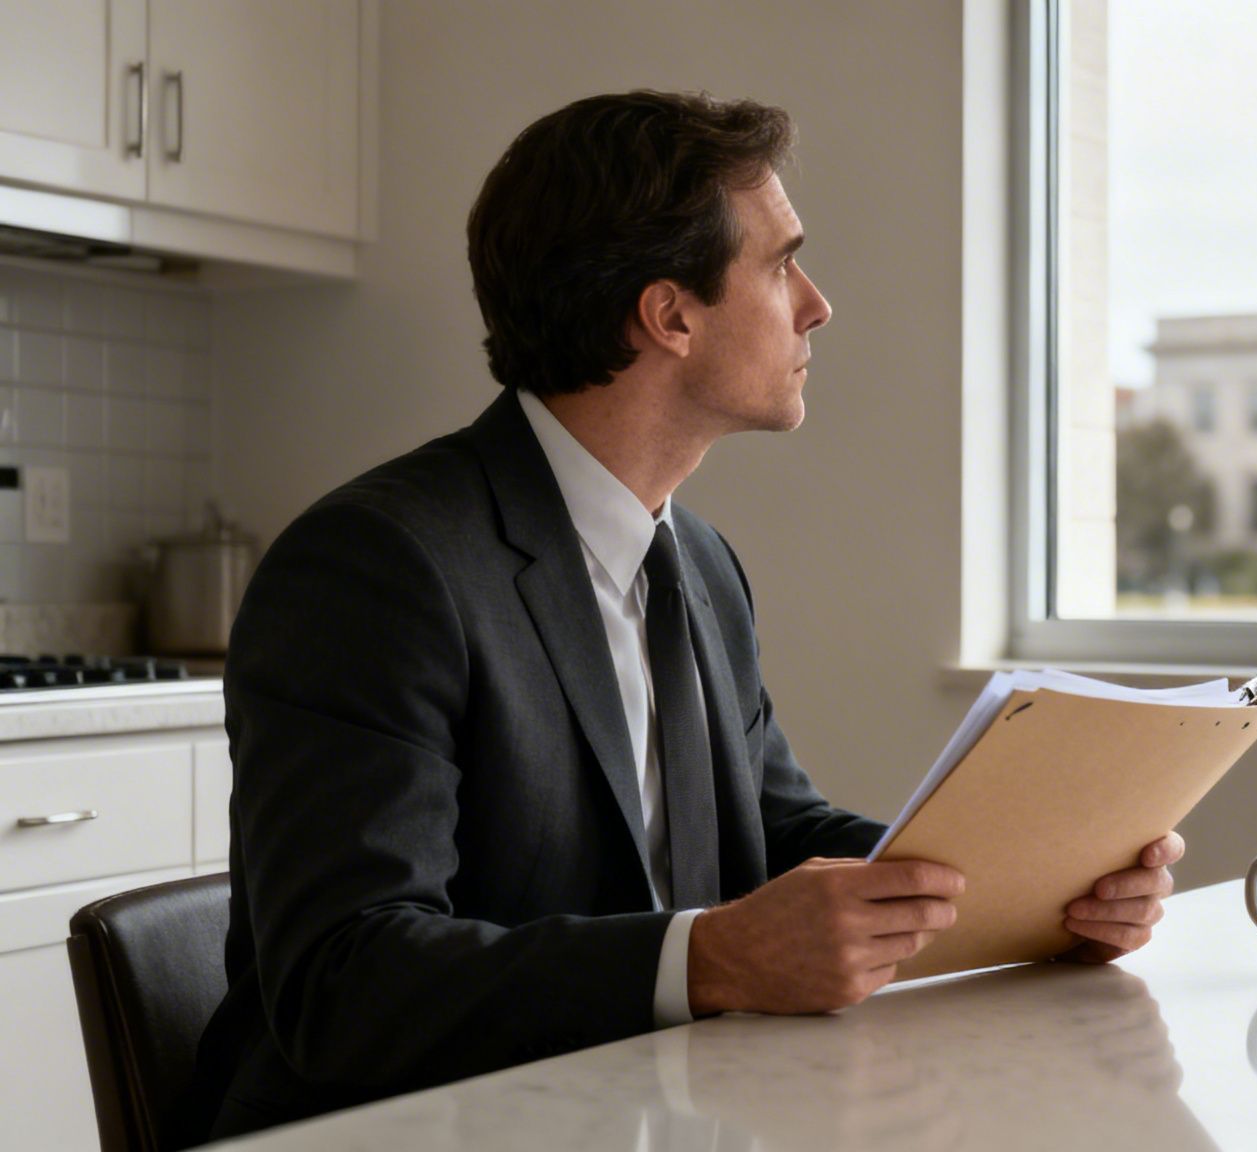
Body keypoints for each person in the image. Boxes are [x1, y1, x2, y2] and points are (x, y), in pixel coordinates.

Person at [182, 90, 1183, 1143]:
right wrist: (711, 957)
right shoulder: (379, 566)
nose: (816, 305)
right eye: (780, 264)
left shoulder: (695, 558)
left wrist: (1032, 886)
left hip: (644, 1113)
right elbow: (344, 985)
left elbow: (773, 831)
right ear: (668, 315)